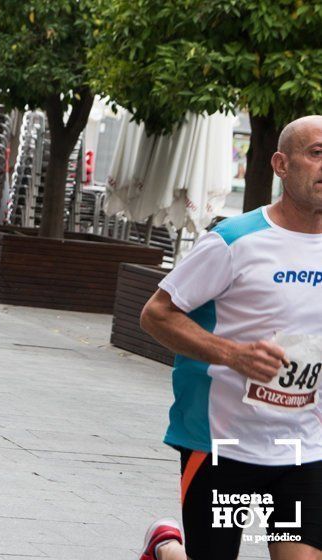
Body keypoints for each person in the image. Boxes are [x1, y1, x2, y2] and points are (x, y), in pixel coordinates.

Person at [137, 116, 322, 559]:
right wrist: (232, 354)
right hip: (221, 442)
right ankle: (167, 549)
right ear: (281, 164)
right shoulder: (234, 241)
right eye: (317, 154)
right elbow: (155, 315)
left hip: (303, 444)